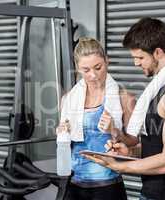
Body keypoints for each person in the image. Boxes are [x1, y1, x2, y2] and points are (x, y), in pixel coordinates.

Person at [83, 17, 165, 200]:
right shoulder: (160, 89)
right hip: (152, 193)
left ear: (158, 52)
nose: (136, 63)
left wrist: (119, 166)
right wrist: (128, 153)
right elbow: (156, 147)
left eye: (140, 57)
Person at [56, 37, 138, 200]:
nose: (93, 75)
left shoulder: (124, 99)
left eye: (98, 67)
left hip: (107, 185)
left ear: (107, 61)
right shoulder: (68, 100)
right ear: (77, 68)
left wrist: (114, 130)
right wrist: (61, 133)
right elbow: (66, 142)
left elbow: (134, 141)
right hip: (73, 184)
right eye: (86, 70)